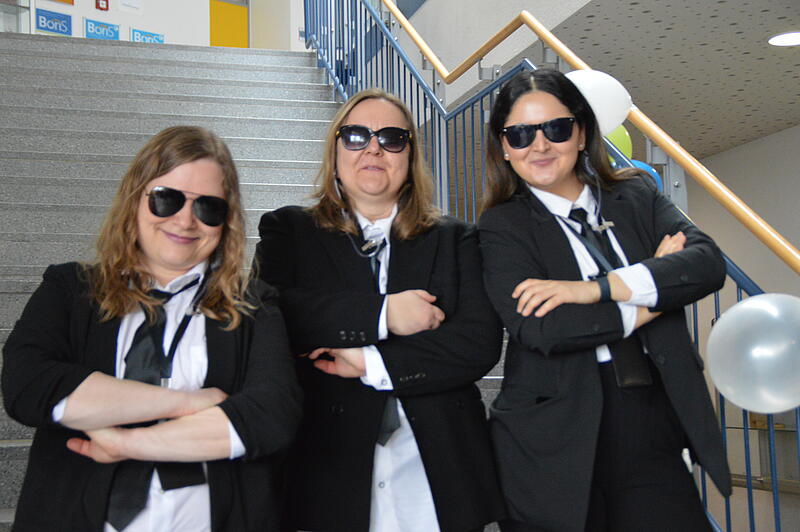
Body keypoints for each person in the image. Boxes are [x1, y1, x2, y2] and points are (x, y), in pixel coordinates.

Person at [2, 126, 302, 532]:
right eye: (167, 199)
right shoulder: (70, 288)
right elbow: (29, 386)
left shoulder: (254, 305)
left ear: (226, 221)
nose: (185, 220)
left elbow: (271, 416)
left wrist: (126, 443)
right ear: (135, 198)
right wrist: (187, 403)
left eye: (208, 207)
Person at [477, 69, 732, 532]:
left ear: (581, 134)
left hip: (651, 417)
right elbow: (544, 328)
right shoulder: (500, 226)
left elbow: (707, 264)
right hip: (551, 437)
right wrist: (655, 292)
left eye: (556, 128)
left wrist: (596, 289)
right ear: (504, 148)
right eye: (520, 134)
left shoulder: (636, 194)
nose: (539, 145)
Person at [254, 88, 506, 532]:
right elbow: (276, 316)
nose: (373, 148)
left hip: (439, 471)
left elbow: (476, 343)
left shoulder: (457, 239)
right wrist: (386, 314)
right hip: (327, 470)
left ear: (410, 156)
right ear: (335, 152)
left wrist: (369, 362)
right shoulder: (289, 231)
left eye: (391, 138)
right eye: (355, 136)